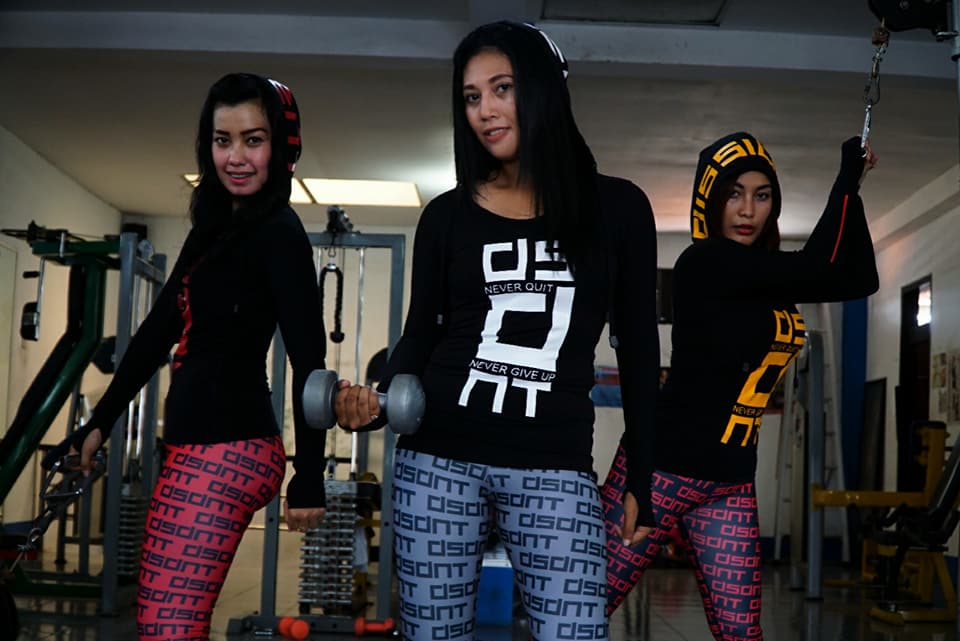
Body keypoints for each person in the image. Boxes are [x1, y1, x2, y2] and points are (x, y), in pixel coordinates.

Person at [335, 21, 659, 641]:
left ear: (542, 89)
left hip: (554, 464)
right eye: (471, 96)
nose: (485, 109)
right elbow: (420, 337)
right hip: (438, 457)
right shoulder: (446, 216)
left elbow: (641, 352)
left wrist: (642, 471)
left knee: (575, 632)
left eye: (502, 88)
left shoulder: (618, 209)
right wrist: (377, 401)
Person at [68, 73, 327, 641]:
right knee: (164, 627)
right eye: (221, 140)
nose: (235, 157)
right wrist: (101, 420)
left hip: (227, 449)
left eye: (253, 140)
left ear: (282, 146)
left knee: (168, 629)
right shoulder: (216, 227)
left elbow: (310, 360)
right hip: (195, 446)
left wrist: (310, 474)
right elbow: (159, 329)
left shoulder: (279, 232)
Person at [602, 132, 880, 639]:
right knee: (579, 608)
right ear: (710, 201)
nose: (748, 210)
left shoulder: (769, 279)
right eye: (734, 194)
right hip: (661, 471)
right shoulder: (703, 263)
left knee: (741, 633)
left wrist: (853, 191)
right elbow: (821, 265)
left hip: (729, 481)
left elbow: (859, 279)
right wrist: (844, 179)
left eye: (762, 195)